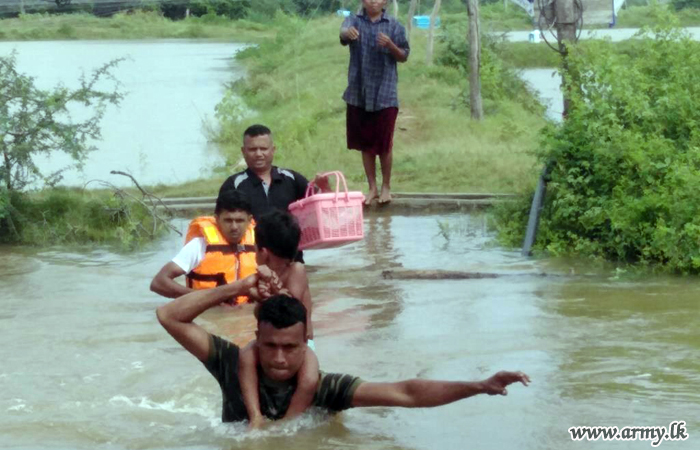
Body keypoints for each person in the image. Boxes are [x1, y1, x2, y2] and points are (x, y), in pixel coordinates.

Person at [156, 289, 531, 424]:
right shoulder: (231, 362)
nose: (280, 358)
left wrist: (479, 386)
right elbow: (168, 315)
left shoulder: (324, 387)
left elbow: (406, 393)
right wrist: (239, 287)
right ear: (257, 340)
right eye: (270, 346)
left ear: (306, 343)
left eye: (291, 347)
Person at [238, 210, 319, 428]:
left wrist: (272, 291)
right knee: (246, 356)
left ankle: (289, 423)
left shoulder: (297, 270)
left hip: (300, 344)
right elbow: (261, 315)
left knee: (310, 379)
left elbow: (290, 310)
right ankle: (255, 415)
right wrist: (259, 296)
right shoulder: (261, 277)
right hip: (273, 344)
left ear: (263, 252)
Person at [340, 0, 410, 205]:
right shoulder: (353, 20)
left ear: (385, 2)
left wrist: (390, 45)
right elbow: (343, 33)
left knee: (384, 144)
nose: (373, 2)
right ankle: (371, 188)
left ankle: (386, 187)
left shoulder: (394, 25)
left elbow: (404, 55)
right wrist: (347, 34)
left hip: (385, 93)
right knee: (365, 144)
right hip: (358, 92)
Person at [150, 189, 256, 304]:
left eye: (240, 221)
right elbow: (158, 283)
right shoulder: (199, 245)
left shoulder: (260, 245)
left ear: (249, 220)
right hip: (207, 314)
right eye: (228, 220)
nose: (234, 227)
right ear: (217, 219)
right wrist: (203, 298)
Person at [219, 124, 330, 220]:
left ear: (273, 150)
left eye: (263, 149)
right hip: (252, 244)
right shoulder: (233, 184)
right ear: (243, 152)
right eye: (252, 149)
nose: (258, 154)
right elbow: (222, 220)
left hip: (291, 244)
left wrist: (324, 187)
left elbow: (324, 207)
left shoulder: (291, 179)